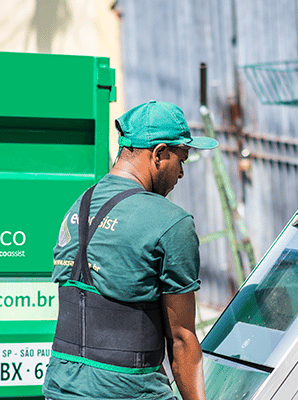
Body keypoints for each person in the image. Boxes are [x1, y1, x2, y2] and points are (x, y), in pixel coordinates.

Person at [43, 101, 217, 400]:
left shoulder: (79, 205)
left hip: (61, 389)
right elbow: (182, 340)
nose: (181, 174)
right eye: (182, 159)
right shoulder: (170, 222)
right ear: (160, 154)